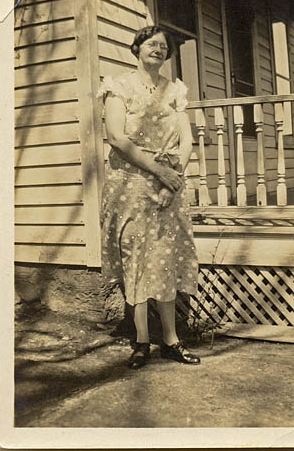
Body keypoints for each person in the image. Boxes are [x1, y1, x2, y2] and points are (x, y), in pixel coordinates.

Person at [98, 25, 201, 369]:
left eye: (164, 46)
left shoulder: (174, 90)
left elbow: (186, 140)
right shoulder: (119, 87)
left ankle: (171, 341)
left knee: (166, 258)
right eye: (151, 43)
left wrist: (173, 180)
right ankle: (141, 341)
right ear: (138, 47)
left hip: (168, 184)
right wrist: (160, 173)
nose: (158, 49)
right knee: (137, 259)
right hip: (130, 182)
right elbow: (115, 137)